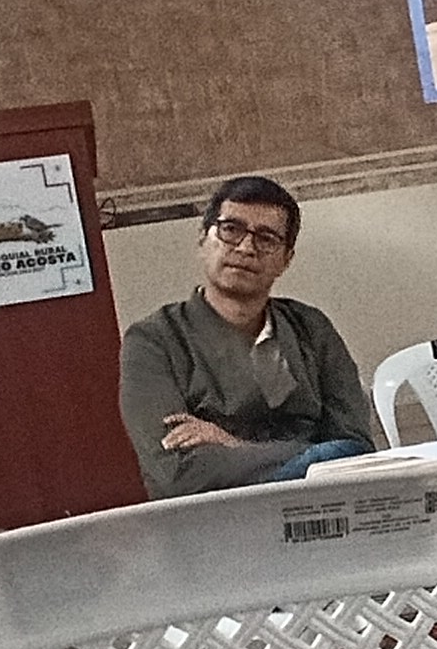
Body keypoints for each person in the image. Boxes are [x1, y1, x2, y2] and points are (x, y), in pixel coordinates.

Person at [119, 175, 376, 495]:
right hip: (214, 514)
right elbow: (177, 472)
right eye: (231, 229)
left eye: (266, 238)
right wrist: (312, 456)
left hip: (319, 506)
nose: (246, 247)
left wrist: (232, 444)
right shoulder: (153, 341)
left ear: (286, 260)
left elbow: (355, 452)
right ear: (203, 239)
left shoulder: (311, 328)